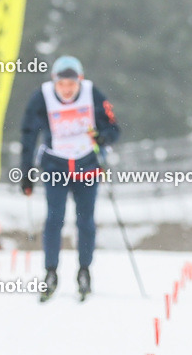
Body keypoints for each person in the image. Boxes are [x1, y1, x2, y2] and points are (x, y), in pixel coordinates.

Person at [19, 55, 120, 301]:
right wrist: (26, 172)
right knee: (54, 220)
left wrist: (103, 137)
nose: (66, 89)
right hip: (56, 165)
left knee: (85, 221)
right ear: (54, 81)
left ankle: (84, 272)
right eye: (62, 84)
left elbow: (113, 128)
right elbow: (28, 135)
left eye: (71, 84)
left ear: (80, 81)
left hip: (87, 165)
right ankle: (51, 273)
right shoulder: (41, 97)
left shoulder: (92, 94)